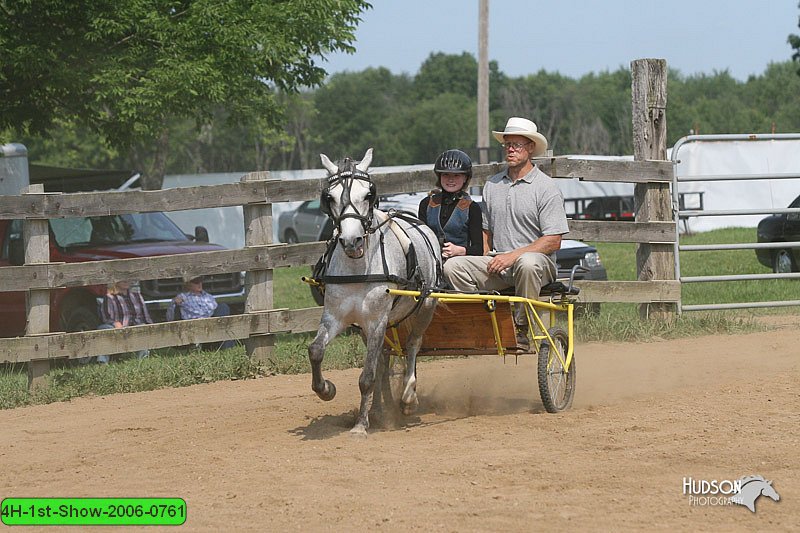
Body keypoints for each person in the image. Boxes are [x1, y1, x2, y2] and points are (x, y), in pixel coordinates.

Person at [443, 117, 570, 352]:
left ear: (531, 148)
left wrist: (512, 256)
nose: (510, 149)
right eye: (507, 144)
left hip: (537, 266)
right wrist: (483, 258)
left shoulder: (546, 187)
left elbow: (554, 240)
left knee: (527, 263)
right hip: (499, 263)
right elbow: (486, 233)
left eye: (517, 145)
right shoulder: (493, 185)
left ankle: (521, 329)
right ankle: (484, 324)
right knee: (454, 266)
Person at [417, 149, 484, 260]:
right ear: (439, 176)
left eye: (456, 175)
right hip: (430, 263)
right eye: (446, 174)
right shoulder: (426, 203)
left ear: (465, 178)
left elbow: (478, 249)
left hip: (457, 264)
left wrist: (459, 250)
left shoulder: (472, 208)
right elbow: (420, 240)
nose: (451, 179)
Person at [166, 275, 235, 349]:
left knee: (223, 307)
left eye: (200, 281)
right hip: (193, 324)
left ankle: (226, 345)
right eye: (196, 282)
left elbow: (214, 309)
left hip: (210, 321)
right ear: (188, 284)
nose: (199, 284)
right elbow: (170, 317)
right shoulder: (182, 297)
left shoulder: (208, 296)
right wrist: (174, 304)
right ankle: (224, 345)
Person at [96, 280, 153, 363]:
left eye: (127, 279)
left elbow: (145, 314)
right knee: (104, 329)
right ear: (116, 282)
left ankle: (143, 361)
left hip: (136, 325)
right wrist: (115, 323)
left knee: (142, 328)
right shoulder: (110, 297)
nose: (126, 281)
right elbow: (106, 316)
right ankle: (102, 362)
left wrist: (150, 325)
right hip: (117, 326)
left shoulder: (137, 295)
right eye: (122, 280)